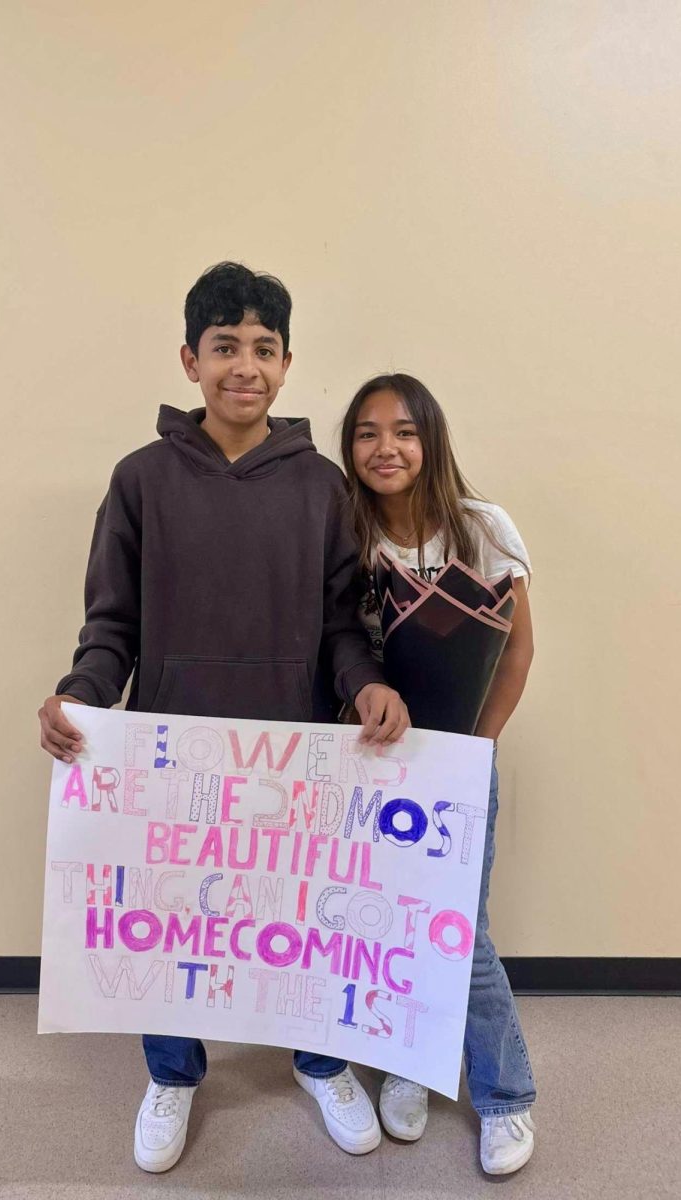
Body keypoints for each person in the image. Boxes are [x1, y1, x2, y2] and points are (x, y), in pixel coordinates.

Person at [37, 263, 410, 1173]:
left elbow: (339, 626)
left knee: (298, 915)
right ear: (189, 359)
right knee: (174, 921)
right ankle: (172, 1073)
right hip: (174, 755)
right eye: (225, 347)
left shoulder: (322, 487)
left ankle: (323, 1061)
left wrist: (365, 683)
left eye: (263, 349)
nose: (245, 365)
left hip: (295, 753)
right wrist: (81, 694)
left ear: (286, 365)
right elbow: (111, 624)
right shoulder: (140, 480)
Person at [339, 372, 537, 1176]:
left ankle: (506, 1098)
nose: (386, 449)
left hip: (458, 762)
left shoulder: (483, 527)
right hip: (372, 768)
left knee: (460, 933)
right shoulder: (346, 538)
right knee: (385, 922)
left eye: (404, 431)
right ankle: (410, 1070)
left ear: (431, 440)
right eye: (366, 434)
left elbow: (518, 652)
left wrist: (478, 747)